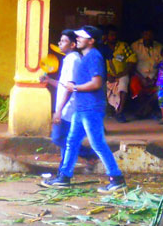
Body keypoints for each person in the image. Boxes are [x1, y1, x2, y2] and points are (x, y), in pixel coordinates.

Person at [44, 26, 127, 192]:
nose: (78, 39)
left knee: (97, 144)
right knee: (71, 142)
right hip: (82, 108)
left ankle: (116, 179)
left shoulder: (94, 57)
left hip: (91, 108)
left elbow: (96, 83)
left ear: (92, 41)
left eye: (82, 37)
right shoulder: (85, 57)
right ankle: (64, 177)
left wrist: (75, 88)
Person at [38, 29, 96, 183]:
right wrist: (49, 80)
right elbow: (64, 85)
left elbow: (70, 88)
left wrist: (58, 111)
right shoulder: (69, 59)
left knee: (59, 138)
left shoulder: (73, 60)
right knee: (65, 141)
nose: (59, 43)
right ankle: (63, 175)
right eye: (60, 40)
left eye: (63, 41)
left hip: (69, 109)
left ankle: (88, 155)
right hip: (67, 108)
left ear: (72, 44)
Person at [102, 26, 136, 122]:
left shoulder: (123, 46)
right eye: (111, 35)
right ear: (107, 36)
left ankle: (119, 112)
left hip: (122, 74)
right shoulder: (103, 48)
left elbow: (132, 60)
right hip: (107, 75)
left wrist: (123, 73)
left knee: (123, 85)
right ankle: (110, 110)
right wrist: (107, 75)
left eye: (115, 35)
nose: (113, 37)